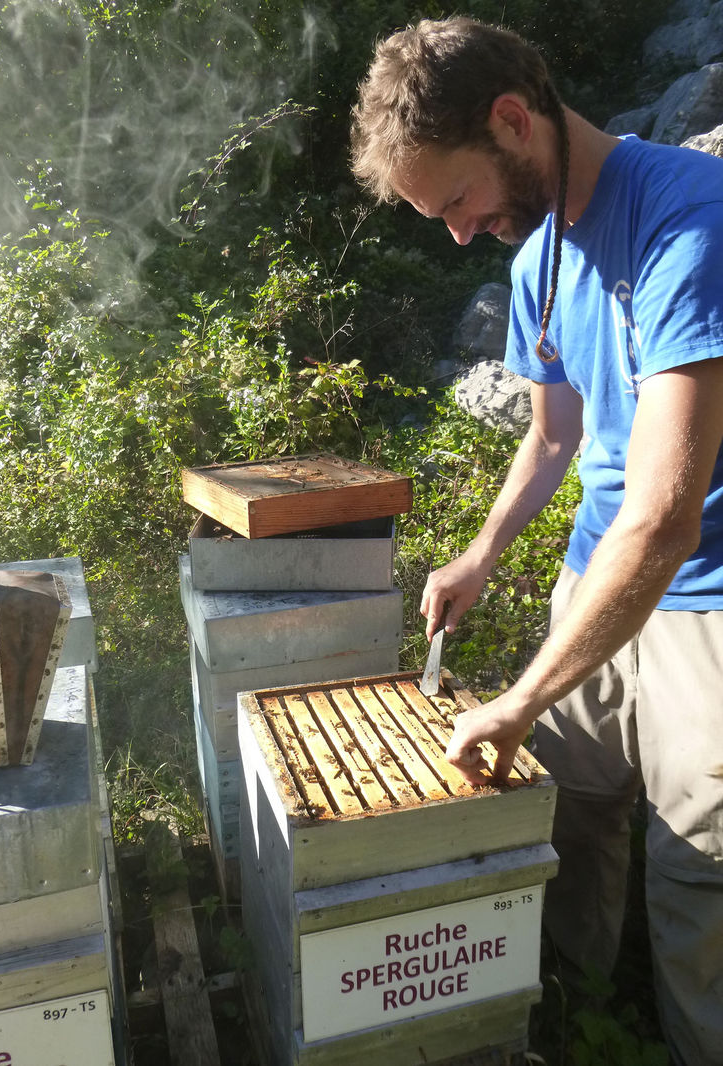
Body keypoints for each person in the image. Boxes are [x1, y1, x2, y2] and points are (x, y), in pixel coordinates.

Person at [350, 16, 723, 1066]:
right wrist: (480, 554)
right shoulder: (536, 263)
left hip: (705, 587)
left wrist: (519, 694)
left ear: (513, 120)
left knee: (698, 864)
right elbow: (553, 435)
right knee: (569, 817)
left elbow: (664, 513)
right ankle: (576, 1016)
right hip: (596, 569)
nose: (459, 232)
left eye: (457, 201)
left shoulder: (689, 222)